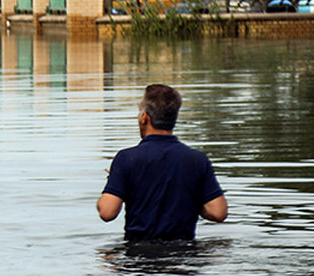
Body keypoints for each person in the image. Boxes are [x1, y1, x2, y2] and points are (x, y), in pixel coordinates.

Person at [97, 84, 227, 242]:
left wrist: (120, 184)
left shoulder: (126, 159)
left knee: (106, 260)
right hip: (183, 259)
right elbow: (219, 212)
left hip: (139, 258)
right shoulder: (197, 159)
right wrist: (188, 194)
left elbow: (107, 212)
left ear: (145, 117)